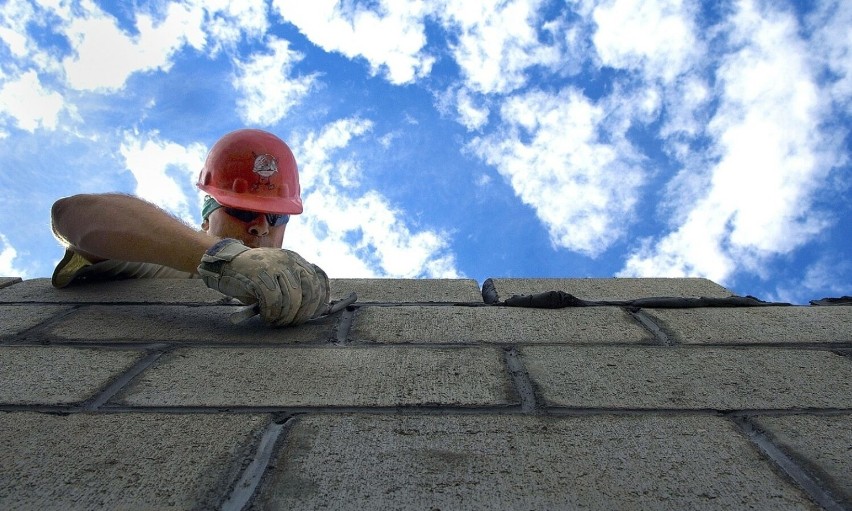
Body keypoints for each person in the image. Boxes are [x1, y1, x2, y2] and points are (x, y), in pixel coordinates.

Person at [50, 129, 329, 326]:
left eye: (276, 217)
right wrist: (224, 257)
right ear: (207, 218)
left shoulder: (293, 293)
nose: (261, 228)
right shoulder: (159, 262)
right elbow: (71, 215)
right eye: (242, 211)